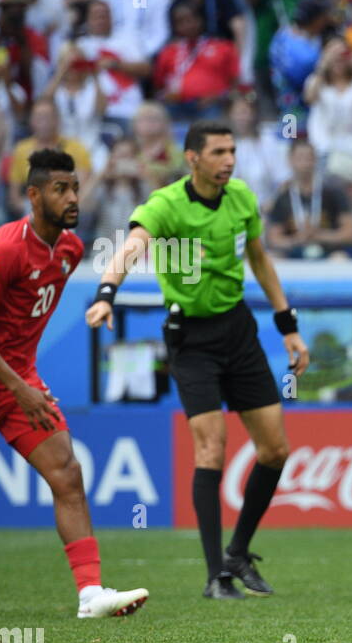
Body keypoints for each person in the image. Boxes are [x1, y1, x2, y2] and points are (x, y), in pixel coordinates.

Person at [86, 122, 311, 601]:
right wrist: (107, 294)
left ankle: (238, 552)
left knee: (275, 450)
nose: (229, 159)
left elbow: (259, 258)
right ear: (192, 158)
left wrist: (287, 325)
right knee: (211, 449)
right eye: (218, 152)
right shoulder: (166, 205)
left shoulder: (242, 199)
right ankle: (216, 576)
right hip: (190, 340)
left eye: (232, 150)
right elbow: (130, 249)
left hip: (239, 330)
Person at [0, 149, 147, 618]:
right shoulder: (3, 247)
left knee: (67, 473)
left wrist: (22, 381)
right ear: (34, 195)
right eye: (60, 189)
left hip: (18, 381)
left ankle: (90, 594)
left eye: (74, 187)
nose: (73, 197)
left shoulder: (70, 249)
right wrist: (19, 386)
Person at [266, 138, 352, 257]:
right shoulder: (283, 196)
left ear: (316, 160)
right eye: (299, 158)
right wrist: (296, 240)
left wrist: (320, 236)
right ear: (290, 161)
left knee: (340, 259)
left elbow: (350, 233)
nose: (304, 163)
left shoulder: (333, 191)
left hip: (329, 252)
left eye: (309, 158)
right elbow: (273, 238)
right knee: (272, 260)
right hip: (294, 253)